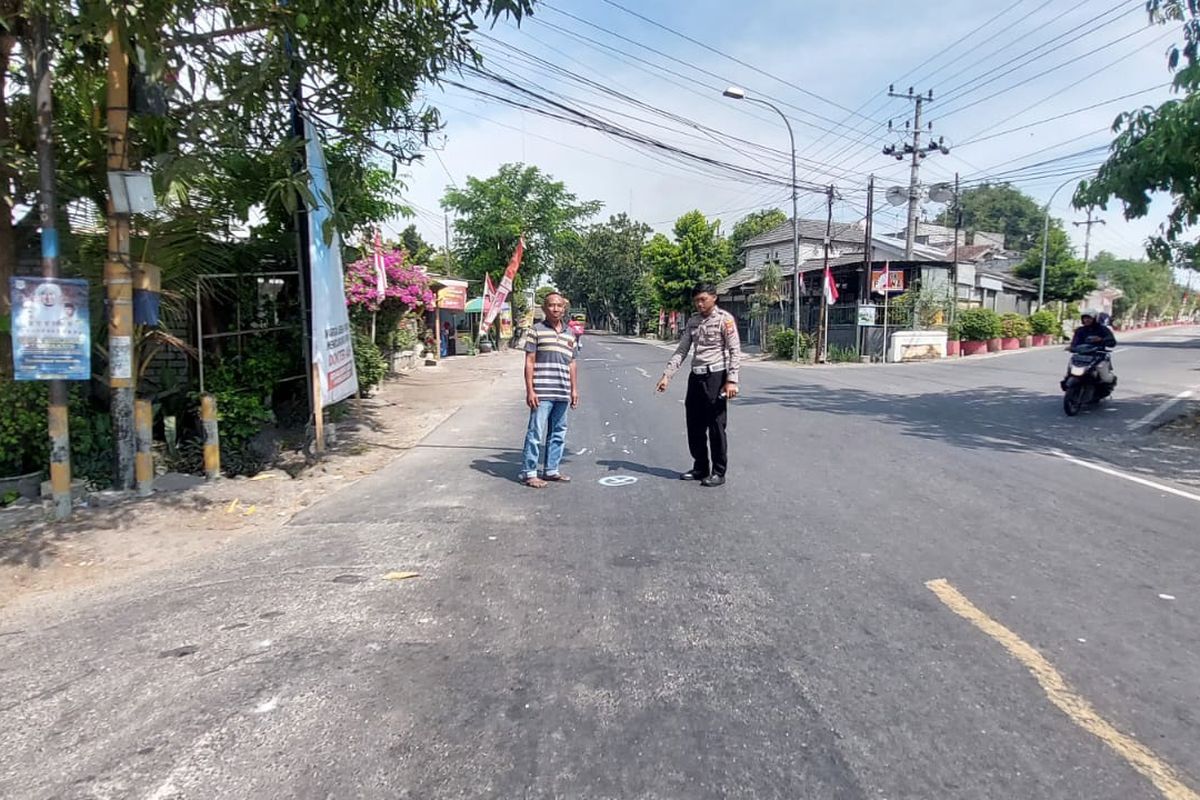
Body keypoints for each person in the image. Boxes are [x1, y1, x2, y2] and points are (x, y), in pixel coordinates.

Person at [655, 284, 742, 488]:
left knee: (716, 426)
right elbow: (682, 350)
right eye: (696, 300)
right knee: (694, 425)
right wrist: (667, 375)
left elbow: (734, 350)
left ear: (714, 297)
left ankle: (718, 472)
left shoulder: (724, 320)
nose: (699, 304)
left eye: (703, 299)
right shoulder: (693, 321)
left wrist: (732, 380)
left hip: (716, 377)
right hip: (696, 377)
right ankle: (700, 467)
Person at [521, 292, 579, 488]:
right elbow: (529, 361)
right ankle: (530, 473)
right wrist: (530, 390)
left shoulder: (570, 334)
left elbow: (572, 363)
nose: (556, 309)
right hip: (542, 392)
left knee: (558, 432)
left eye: (559, 305)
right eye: (552, 305)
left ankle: (551, 469)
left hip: (562, 391)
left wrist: (574, 390)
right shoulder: (536, 330)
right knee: (535, 433)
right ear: (545, 308)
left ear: (564, 308)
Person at [1064, 309, 1117, 388]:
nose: (1087, 320)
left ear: (1095, 319)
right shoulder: (1080, 330)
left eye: (1089, 318)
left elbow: (1112, 342)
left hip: (1098, 356)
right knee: (1070, 369)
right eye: (1085, 318)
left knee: (1105, 378)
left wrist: (1101, 340)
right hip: (1081, 356)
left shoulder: (1103, 329)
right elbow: (1075, 342)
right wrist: (1071, 347)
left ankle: (1108, 383)